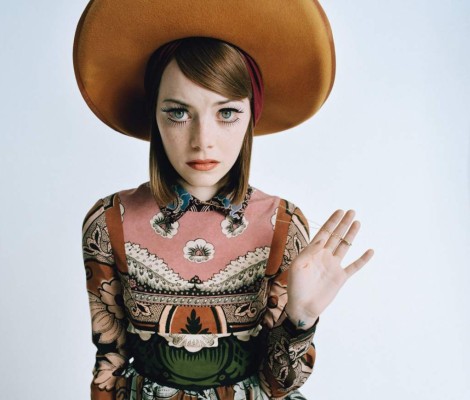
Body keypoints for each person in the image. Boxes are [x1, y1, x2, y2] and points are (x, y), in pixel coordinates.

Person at [75, 1, 374, 399]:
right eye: (178, 113)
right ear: (155, 116)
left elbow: (278, 386)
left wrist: (301, 319)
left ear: (251, 115)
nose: (203, 140)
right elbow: (108, 363)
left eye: (227, 113)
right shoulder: (110, 221)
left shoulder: (283, 225)